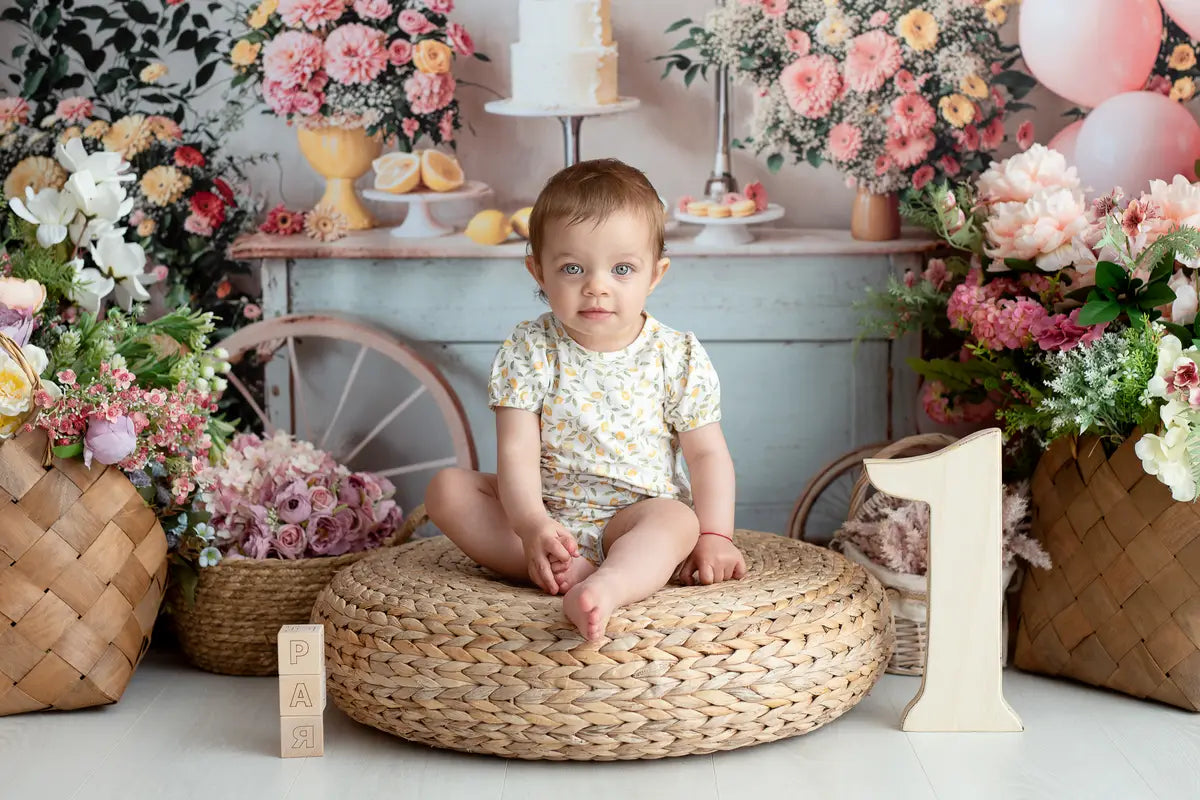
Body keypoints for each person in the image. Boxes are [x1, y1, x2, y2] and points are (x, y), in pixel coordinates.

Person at [425, 158, 743, 641]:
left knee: (678, 520)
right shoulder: (529, 349)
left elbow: (707, 454)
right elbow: (516, 452)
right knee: (446, 490)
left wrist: (717, 538)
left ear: (654, 276)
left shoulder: (675, 355)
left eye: (621, 269)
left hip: (634, 514)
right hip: (544, 511)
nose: (597, 286)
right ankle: (553, 562)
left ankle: (609, 583)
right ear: (538, 271)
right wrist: (532, 525)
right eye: (572, 268)